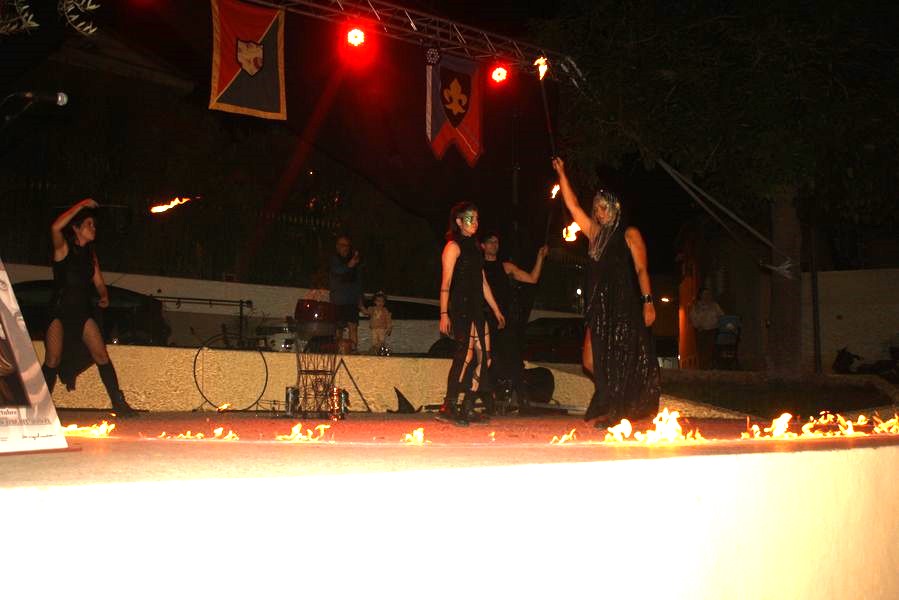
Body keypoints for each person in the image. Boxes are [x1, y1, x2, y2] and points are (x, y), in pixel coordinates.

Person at [552, 158, 660, 426]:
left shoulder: (629, 234)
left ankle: (616, 411)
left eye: (603, 208)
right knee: (590, 360)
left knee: (617, 359)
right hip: (598, 307)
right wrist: (562, 172)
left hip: (622, 305)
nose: (599, 213)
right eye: (597, 208)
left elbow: (641, 270)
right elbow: (573, 206)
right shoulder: (596, 235)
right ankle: (611, 400)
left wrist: (648, 302)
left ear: (615, 208)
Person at [40, 198, 138, 416]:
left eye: (94, 224)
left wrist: (104, 296)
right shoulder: (63, 249)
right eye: (89, 224)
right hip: (59, 311)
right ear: (76, 228)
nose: (94, 228)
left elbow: (99, 283)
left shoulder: (90, 255)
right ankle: (39, 406)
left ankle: (119, 404)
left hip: (82, 312)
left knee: (101, 355)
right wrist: (81, 205)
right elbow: (55, 227)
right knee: (53, 359)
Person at [437, 202, 505, 426]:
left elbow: (482, 281)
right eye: (470, 218)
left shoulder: (476, 248)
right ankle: (449, 405)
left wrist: (496, 310)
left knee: (485, 358)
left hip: (477, 307)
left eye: (476, 218)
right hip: (461, 307)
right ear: (458, 222)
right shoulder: (453, 247)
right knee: (464, 356)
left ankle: (468, 405)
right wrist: (444, 313)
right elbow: (446, 282)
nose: (475, 223)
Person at [481, 232, 548, 412]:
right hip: (486, 320)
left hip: (505, 321)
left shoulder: (505, 267)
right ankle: (489, 402)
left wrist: (540, 258)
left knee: (514, 359)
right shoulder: (478, 267)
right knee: (487, 360)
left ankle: (523, 401)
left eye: (496, 242)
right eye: (490, 242)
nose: (494, 245)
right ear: (483, 246)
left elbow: (532, 279)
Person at [329, 235, 364, 353]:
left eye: (347, 245)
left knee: (353, 326)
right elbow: (337, 271)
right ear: (337, 247)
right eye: (342, 245)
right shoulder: (334, 260)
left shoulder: (355, 263)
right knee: (338, 328)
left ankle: (353, 351)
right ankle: (337, 351)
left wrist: (360, 300)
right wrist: (349, 265)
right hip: (338, 300)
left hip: (352, 300)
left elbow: (358, 282)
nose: (345, 248)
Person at [688, 287, 725, 369]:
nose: (707, 296)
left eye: (708, 294)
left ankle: (710, 366)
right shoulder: (696, 306)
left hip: (713, 330)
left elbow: (721, 316)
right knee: (702, 349)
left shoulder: (715, 306)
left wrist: (718, 324)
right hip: (701, 330)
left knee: (711, 348)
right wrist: (697, 325)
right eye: (705, 294)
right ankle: (703, 367)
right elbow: (692, 317)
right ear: (700, 295)